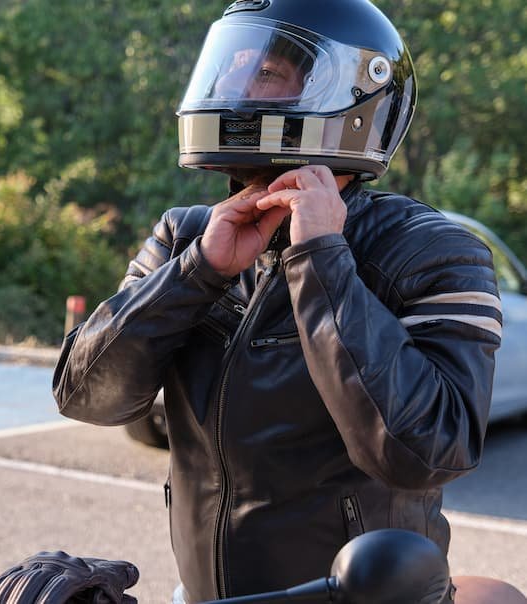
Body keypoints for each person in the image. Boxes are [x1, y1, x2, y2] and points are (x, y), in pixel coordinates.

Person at [53, 1, 526, 602]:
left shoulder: (433, 249)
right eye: (228, 70)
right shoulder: (183, 236)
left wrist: (322, 260)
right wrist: (199, 272)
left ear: (350, 96)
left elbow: (426, 450)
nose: (234, 90)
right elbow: (86, 396)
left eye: (267, 75)